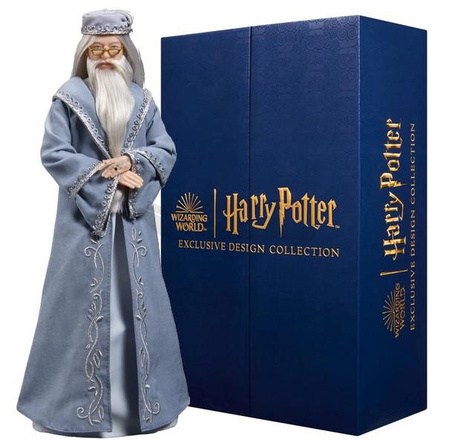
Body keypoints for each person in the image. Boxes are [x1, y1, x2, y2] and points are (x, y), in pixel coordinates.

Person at [16, 9, 190, 437]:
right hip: (83, 225)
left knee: (138, 310)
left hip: (134, 225)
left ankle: (141, 406)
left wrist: (133, 162)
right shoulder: (68, 99)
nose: (106, 57)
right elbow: (55, 153)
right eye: (98, 50)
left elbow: (165, 148)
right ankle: (72, 407)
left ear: (127, 53)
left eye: (114, 49)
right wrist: (106, 177)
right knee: (78, 311)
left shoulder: (142, 100)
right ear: (85, 53)